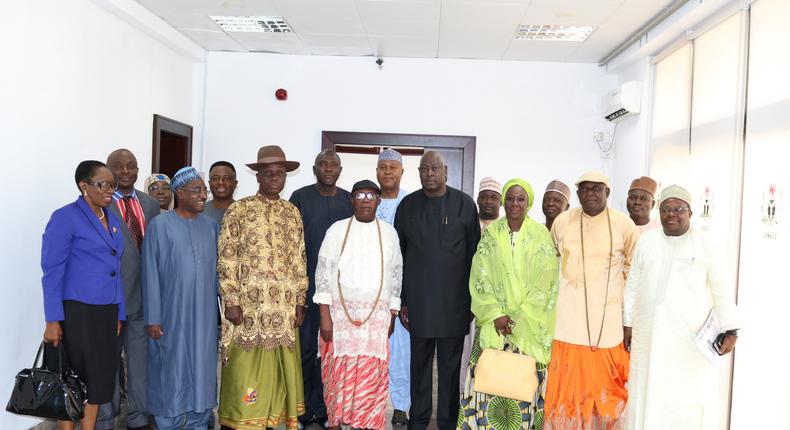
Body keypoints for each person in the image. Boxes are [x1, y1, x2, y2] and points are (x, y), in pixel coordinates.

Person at [623, 185, 739, 430]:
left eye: (678, 209)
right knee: (645, 392)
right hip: (648, 336)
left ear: (690, 213)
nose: (671, 214)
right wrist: (627, 322)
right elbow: (632, 284)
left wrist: (731, 329)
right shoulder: (647, 241)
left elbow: (722, 288)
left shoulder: (706, 244)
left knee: (684, 400)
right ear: (659, 213)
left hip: (686, 341)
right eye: (665, 209)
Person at [217, 145, 307, 430]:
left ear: (285, 177)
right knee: (245, 370)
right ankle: (241, 419)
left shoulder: (292, 213)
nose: (274, 178)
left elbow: (299, 258)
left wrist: (300, 300)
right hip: (248, 308)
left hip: (283, 307)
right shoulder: (239, 210)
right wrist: (231, 299)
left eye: (280, 173)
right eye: (268, 173)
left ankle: (271, 418)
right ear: (258, 177)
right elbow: (227, 256)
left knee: (280, 371)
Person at [459, 178, 559, 430]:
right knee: (486, 382)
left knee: (523, 388)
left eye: (520, 199)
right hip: (494, 326)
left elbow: (546, 281)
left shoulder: (541, 235)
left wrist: (520, 317)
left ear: (529, 203)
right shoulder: (492, 234)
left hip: (528, 328)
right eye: (510, 198)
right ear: (504, 202)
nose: (515, 203)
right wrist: (495, 313)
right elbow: (480, 275)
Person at [544, 171, 639, 430]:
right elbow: (550, 261)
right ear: (577, 194)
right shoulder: (563, 221)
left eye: (597, 189)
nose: (590, 194)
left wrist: (625, 311)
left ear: (607, 193)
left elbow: (635, 268)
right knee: (566, 390)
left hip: (606, 323)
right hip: (566, 319)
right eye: (585, 189)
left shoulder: (623, 224)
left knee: (605, 392)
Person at [394, 151, 480, 430]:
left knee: (450, 369)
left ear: (445, 172)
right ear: (418, 173)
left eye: (434, 168)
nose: (429, 173)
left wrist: (471, 302)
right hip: (417, 304)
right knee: (418, 368)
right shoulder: (407, 206)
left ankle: (447, 422)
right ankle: (417, 422)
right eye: (424, 169)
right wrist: (403, 301)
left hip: (454, 305)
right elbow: (399, 257)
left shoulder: (465, 205)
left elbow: (474, 257)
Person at [41, 160, 125, 430]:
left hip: (107, 310)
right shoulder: (65, 217)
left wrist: (119, 312)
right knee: (71, 378)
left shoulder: (112, 218)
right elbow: (52, 270)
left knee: (100, 378)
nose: (109, 190)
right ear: (84, 186)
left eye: (112, 185)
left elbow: (116, 268)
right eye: (103, 184)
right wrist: (52, 320)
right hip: (76, 311)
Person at [314, 179, 403, 430]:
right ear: (351, 199)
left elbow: (396, 275)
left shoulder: (389, 233)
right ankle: (335, 421)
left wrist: (392, 315)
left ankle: (366, 422)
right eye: (360, 195)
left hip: (376, 318)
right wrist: (324, 315)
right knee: (336, 373)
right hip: (339, 316)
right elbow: (323, 273)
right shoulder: (336, 230)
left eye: (371, 195)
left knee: (371, 374)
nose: (365, 200)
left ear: (378, 200)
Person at [142, 167, 219, 430]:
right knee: (171, 367)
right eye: (198, 190)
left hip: (204, 314)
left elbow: (219, 273)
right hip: (170, 312)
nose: (203, 195)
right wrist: (152, 317)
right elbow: (150, 273)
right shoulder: (159, 226)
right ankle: (169, 421)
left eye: (203, 190)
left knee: (203, 365)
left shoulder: (210, 226)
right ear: (180, 193)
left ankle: (198, 420)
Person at [289, 149, 354, 428]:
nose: (328, 168)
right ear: (315, 169)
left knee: (333, 353)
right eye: (323, 164)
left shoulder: (348, 200)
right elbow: (291, 247)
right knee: (305, 350)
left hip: (341, 294)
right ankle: (304, 410)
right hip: (307, 290)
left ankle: (329, 409)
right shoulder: (300, 198)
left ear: (340, 170)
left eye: (333, 165)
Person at [99, 149, 160, 430]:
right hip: (109, 301)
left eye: (131, 166)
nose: (125, 171)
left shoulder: (150, 204)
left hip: (142, 300)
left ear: (138, 170)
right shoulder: (99, 204)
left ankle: (138, 418)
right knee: (108, 365)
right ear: (109, 171)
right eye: (118, 167)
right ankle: (106, 419)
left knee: (140, 365)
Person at [374, 148, 411, 426]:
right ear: (377, 172)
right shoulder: (367, 201)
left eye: (392, 167)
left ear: (401, 172)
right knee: (372, 348)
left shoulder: (411, 204)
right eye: (382, 167)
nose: (387, 172)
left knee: (401, 349)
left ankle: (401, 404)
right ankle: (372, 401)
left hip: (401, 289)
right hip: (371, 290)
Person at [460, 176, 502, 391]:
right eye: (484, 197)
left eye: (493, 198)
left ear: (500, 202)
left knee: (490, 349)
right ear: (477, 199)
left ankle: (486, 393)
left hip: (493, 302)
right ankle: (463, 393)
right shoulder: (467, 224)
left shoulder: (505, 229)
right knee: (464, 350)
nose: (488, 202)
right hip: (464, 297)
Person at [204, 161, 238, 226]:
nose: (220, 182)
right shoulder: (198, 212)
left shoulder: (244, 212)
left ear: (235, 184)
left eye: (227, 179)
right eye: (215, 178)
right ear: (209, 183)